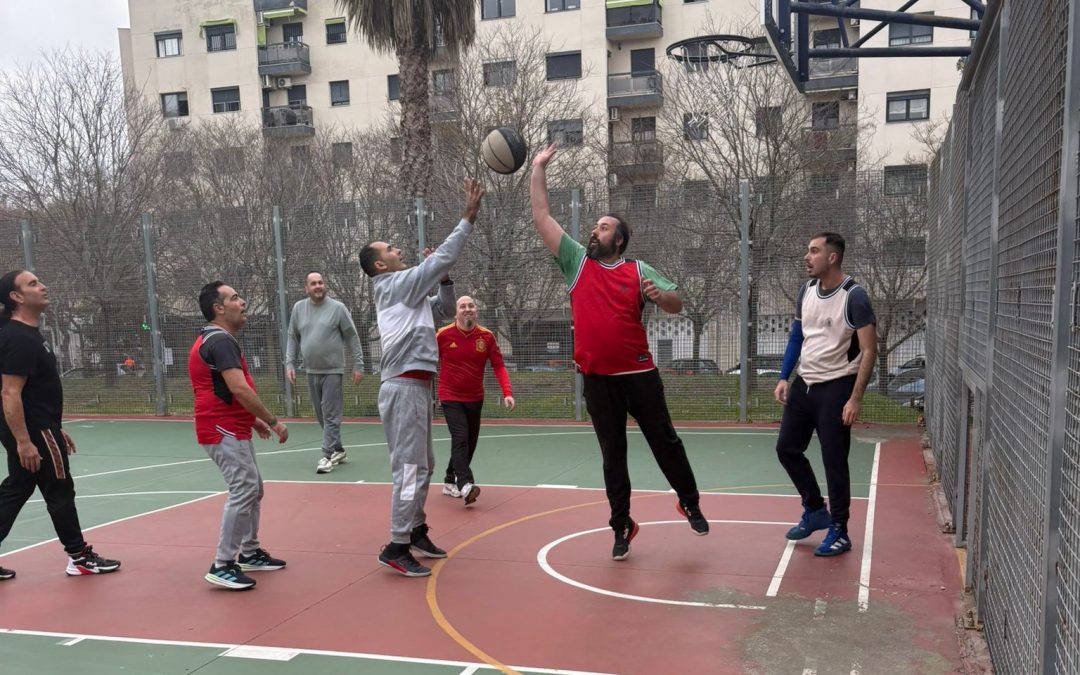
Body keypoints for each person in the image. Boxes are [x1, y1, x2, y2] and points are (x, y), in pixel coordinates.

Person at [530, 145, 709, 562]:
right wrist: (538, 168)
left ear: (620, 239)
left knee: (665, 441)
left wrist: (660, 295)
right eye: (594, 226)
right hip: (597, 379)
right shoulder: (576, 262)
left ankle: (689, 500)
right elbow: (542, 217)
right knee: (614, 455)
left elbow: (678, 303)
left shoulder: (638, 269)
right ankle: (621, 526)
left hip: (638, 374)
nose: (595, 230)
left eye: (604, 227)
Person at [359, 179, 484, 578]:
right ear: (380, 265)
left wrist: (444, 281)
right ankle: (396, 545)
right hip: (402, 387)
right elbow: (439, 260)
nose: (399, 251)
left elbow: (444, 308)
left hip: (415, 388)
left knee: (424, 464)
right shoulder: (393, 285)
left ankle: (414, 531)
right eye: (391, 250)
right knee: (410, 468)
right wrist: (466, 219)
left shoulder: (409, 295)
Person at [0, 269, 121, 579]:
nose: (43, 286)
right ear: (16, 297)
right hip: (33, 430)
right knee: (60, 490)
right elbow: (10, 393)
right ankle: (79, 557)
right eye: (32, 284)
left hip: (39, 427)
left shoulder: (25, 334)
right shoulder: (18, 338)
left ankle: (78, 555)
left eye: (40, 280)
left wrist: (53, 427)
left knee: (17, 487)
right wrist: (27, 441)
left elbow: (32, 393)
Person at [774, 232, 877, 557]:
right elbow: (796, 337)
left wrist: (855, 398)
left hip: (836, 387)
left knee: (834, 460)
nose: (807, 256)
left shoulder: (854, 296)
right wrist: (783, 376)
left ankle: (841, 530)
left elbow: (870, 350)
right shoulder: (806, 290)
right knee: (787, 449)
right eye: (808, 249)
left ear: (832, 257)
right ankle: (816, 509)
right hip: (804, 384)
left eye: (814, 251)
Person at [190, 281, 290, 590]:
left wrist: (253, 421)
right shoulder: (220, 341)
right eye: (235, 298)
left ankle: (249, 551)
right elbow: (238, 387)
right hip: (220, 426)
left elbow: (227, 390)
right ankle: (223, 563)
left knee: (253, 488)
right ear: (219, 308)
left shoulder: (219, 339)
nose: (242, 302)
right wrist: (271, 420)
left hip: (231, 423)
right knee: (244, 488)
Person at [436, 295, 515, 505]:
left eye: (471, 306)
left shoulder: (486, 336)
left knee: (469, 443)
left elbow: (498, 365)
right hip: (450, 396)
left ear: (476, 311)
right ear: (456, 312)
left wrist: (507, 392)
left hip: (475, 397)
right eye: (463, 306)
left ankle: (449, 481)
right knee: (460, 437)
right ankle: (465, 484)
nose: (467, 309)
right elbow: (428, 363)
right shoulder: (442, 335)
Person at [285, 271, 364, 475]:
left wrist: (359, 364)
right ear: (306, 288)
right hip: (311, 371)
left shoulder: (338, 309)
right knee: (321, 416)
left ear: (324, 285)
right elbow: (292, 337)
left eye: (320, 282)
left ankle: (326, 455)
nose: (318, 286)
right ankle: (338, 450)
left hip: (333, 371)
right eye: (313, 283)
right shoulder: (298, 308)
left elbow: (352, 337)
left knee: (330, 415)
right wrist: (289, 364)